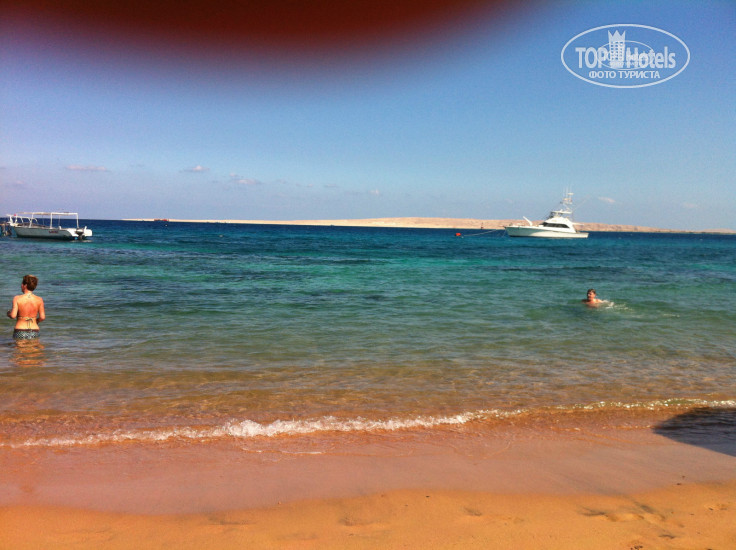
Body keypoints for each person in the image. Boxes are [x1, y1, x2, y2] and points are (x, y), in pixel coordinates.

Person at [7, 274, 45, 339]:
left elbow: (13, 316)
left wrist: (8, 314)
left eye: (22, 284)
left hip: (20, 330)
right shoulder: (39, 299)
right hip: (34, 330)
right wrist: (36, 321)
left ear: (25, 285)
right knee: (34, 345)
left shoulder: (17, 298)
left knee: (19, 346)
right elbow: (42, 317)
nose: (21, 285)